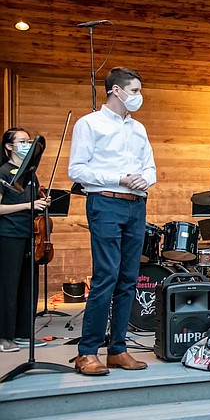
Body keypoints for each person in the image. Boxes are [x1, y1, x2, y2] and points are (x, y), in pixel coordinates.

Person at [69, 66, 156, 375]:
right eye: (134, 91)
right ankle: (87, 351)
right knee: (106, 275)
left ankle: (118, 349)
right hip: (105, 202)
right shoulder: (89, 124)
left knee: (129, 278)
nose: (138, 97)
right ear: (116, 91)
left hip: (136, 206)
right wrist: (118, 178)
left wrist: (144, 180)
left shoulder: (139, 128)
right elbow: (77, 170)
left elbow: (151, 168)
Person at [0, 129, 51, 353]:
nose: (26, 144)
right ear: (9, 146)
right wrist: (28, 206)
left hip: (30, 234)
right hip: (8, 234)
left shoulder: (30, 173)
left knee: (28, 287)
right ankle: (4, 336)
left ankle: (23, 333)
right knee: (8, 287)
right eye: (21, 141)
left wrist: (42, 201)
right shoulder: (3, 172)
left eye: (28, 141)